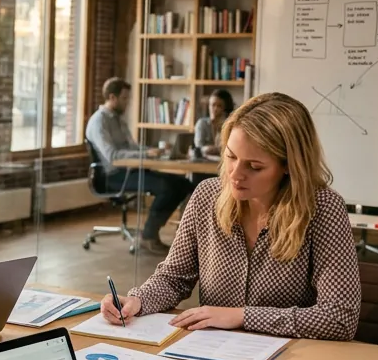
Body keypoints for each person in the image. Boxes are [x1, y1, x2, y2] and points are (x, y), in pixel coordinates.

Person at [98, 92, 360, 341]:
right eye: (230, 157)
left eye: (254, 167)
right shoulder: (207, 196)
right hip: (213, 356)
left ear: (290, 166)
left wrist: (241, 317)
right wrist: (138, 300)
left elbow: (340, 317)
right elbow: (174, 278)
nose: (235, 174)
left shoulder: (323, 208)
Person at [85, 77, 193, 253]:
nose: (127, 102)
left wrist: (154, 150)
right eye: (124, 98)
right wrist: (144, 154)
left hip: (130, 171)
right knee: (167, 187)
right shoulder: (99, 122)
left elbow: (132, 147)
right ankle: (148, 238)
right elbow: (112, 156)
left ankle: (162, 234)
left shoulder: (119, 119)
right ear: (112, 97)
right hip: (112, 176)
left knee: (182, 183)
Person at [194, 89, 235, 157]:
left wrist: (222, 125)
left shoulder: (231, 126)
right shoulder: (202, 123)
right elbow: (199, 148)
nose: (215, 109)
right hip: (204, 162)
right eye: (212, 105)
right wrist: (208, 149)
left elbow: (231, 149)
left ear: (226, 108)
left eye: (219, 106)